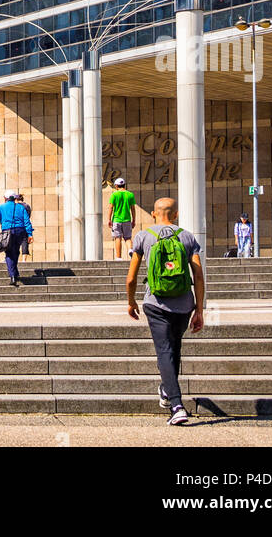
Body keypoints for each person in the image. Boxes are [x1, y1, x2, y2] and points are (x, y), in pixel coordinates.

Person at [126, 196, 205, 426]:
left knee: (164, 351)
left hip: (155, 302)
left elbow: (131, 278)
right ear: (176, 214)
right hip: (183, 304)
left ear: (153, 214)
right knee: (174, 348)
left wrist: (131, 302)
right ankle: (168, 390)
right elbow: (198, 275)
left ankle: (177, 405)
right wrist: (199, 309)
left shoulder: (143, 237)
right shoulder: (187, 237)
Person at [0, 191, 34, 287]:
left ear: (5, 198)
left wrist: (1, 218)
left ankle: (13, 276)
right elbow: (27, 221)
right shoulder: (21, 207)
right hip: (20, 231)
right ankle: (15, 273)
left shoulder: (1, 207)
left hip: (8, 232)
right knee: (16, 252)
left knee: (9, 253)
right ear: (15, 198)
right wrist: (30, 234)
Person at [108, 177, 136, 259]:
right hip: (127, 220)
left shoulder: (114, 195)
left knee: (118, 238)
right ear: (124, 185)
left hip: (116, 220)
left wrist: (109, 219)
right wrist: (134, 220)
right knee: (128, 238)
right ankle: (130, 249)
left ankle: (118, 257)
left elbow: (110, 208)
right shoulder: (130, 195)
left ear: (116, 186)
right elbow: (133, 209)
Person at [15, 193, 33, 261]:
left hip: (17, 226)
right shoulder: (27, 206)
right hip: (25, 227)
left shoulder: (17, 206)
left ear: (16, 199)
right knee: (25, 242)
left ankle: (13, 259)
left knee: (14, 243)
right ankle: (24, 260)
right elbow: (28, 217)